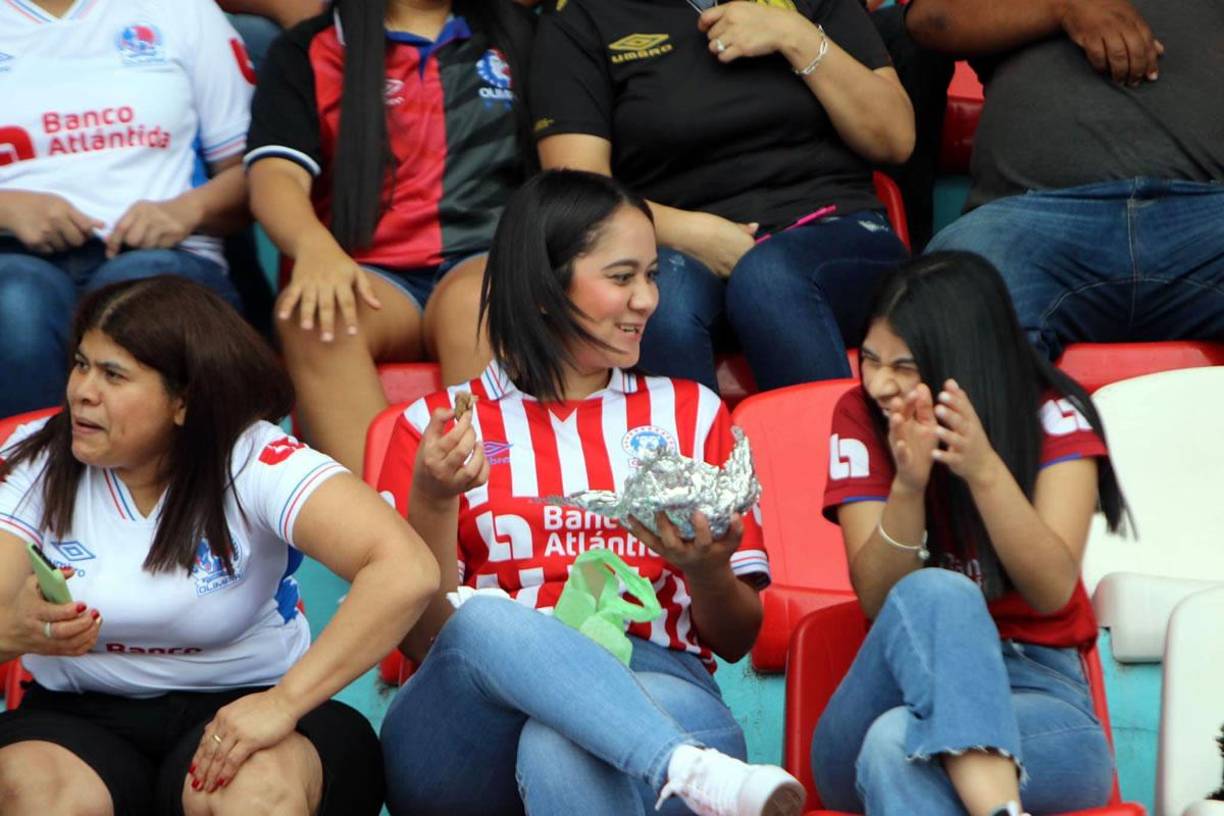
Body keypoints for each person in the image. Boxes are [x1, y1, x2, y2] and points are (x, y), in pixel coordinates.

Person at [376, 169, 804, 816]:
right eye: (623, 277)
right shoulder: (433, 430)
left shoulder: (691, 414)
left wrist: (708, 570)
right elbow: (421, 644)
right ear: (545, 289)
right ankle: (681, 765)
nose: (647, 300)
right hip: (467, 729)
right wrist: (434, 499)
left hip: (658, 678)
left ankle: (673, 758)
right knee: (488, 619)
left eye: (653, 276)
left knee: (562, 744)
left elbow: (737, 637)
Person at [0, 277, 440, 816]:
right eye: (81, 364)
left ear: (184, 400)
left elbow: (406, 568)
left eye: (114, 375)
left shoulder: (252, 457)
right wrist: (10, 631)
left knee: (252, 794)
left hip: (252, 698)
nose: (82, 391)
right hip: (77, 717)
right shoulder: (35, 458)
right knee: (35, 794)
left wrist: (283, 703)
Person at [810, 252, 1128, 815]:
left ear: (962, 360)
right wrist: (909, 486)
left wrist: (983, 470)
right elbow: (880, 600)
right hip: (888, 688)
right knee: (937, 592)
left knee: (895, 746)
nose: (880, 383)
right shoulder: (860, 414)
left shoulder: (1054, 414)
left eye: (905, 366)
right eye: (871, 358)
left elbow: (1052, 589)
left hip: (1038, 695)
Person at [528, 0, 914, 394]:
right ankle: (696, 456)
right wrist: (686, 233)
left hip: (834, 228)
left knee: (769, 279)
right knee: (658, 302)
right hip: (671, 248)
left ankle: (834, 451)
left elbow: (895, 138)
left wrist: (793, 34)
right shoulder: (582, 17)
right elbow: (576, 185)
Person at [246, 0, 535, 474]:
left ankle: (492, 517)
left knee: (476, 306)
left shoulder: (520, 34)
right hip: (372, 276)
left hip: (484, 261)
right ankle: (387, 528)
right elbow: (274, 174)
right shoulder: (310, 49)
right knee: (315, 318)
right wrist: (314, 247)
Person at [910, 0, 1224, 359]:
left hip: (1205, 218)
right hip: (1028, 221)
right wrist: (1063, 7)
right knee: (956, 289)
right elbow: (930, 18)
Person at [0, 0, 257, 418]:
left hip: (164, 254)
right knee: (16, 305)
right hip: (12, 259)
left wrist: (185, 210)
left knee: (139, 299)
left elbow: (261, 174)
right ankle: (33, 478)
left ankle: (154, 484)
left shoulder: (181, 10)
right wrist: (6, 210)